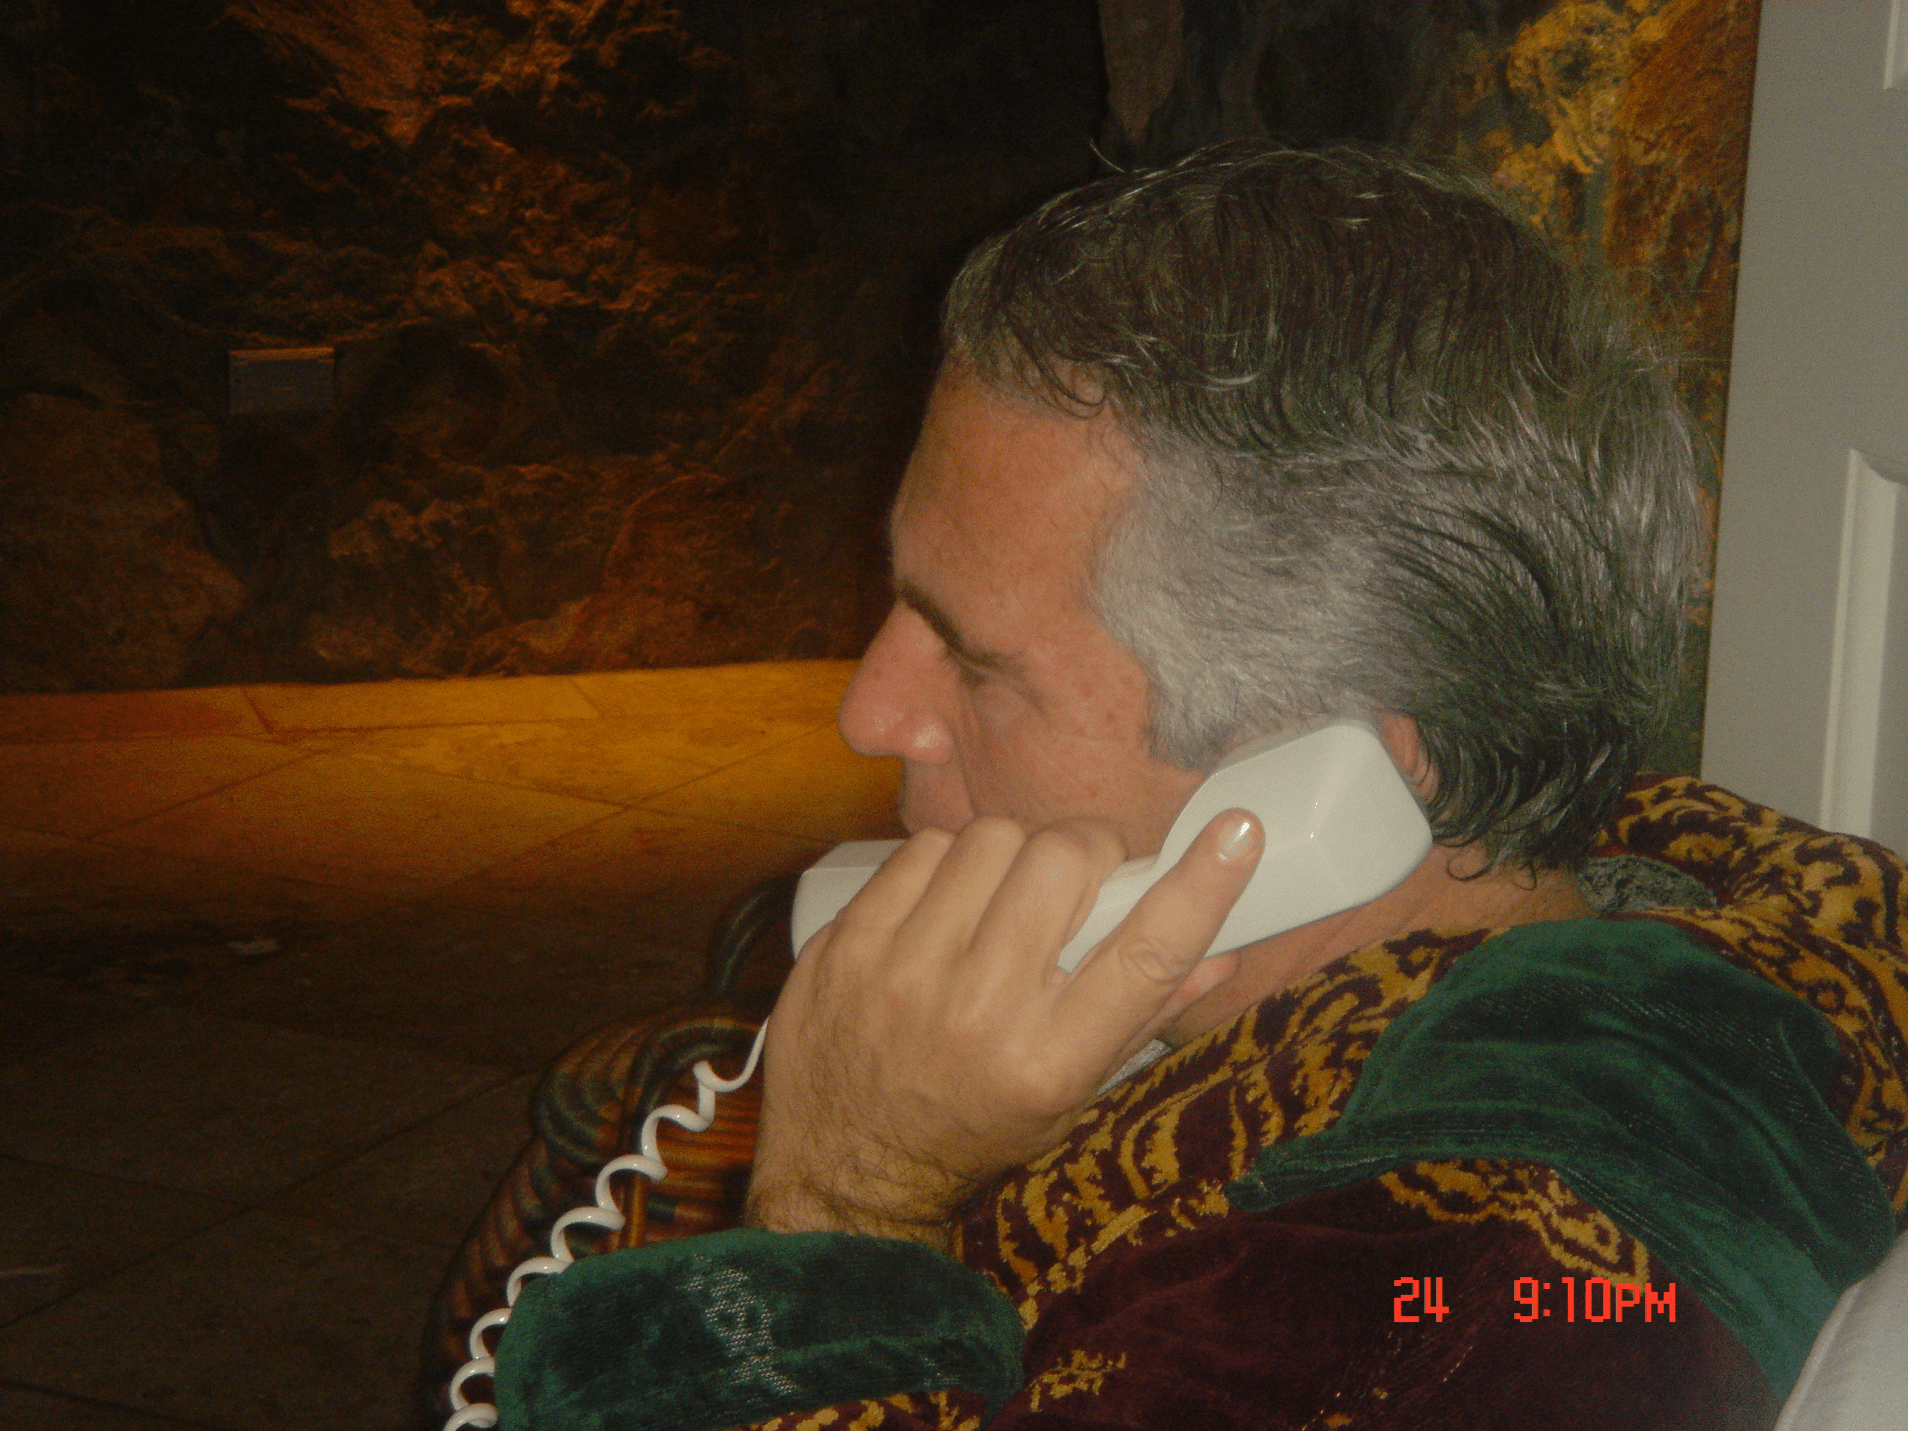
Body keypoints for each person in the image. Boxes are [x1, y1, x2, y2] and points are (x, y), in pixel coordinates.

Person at [489, 144, 1907, 1429]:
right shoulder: (1661, 911)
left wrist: (846, 1200)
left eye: (976, 660)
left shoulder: (1441, 1316)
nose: (873, 710)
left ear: (1335, 780)